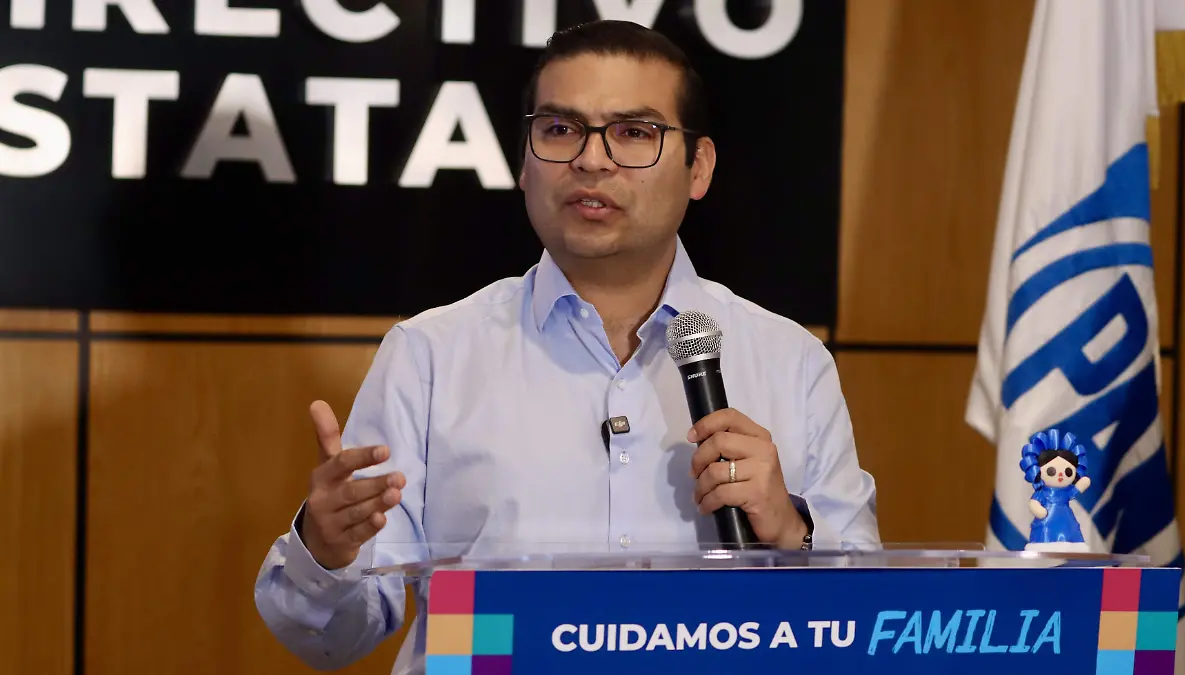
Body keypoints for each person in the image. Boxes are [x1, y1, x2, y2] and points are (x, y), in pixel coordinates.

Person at [254, 19, 879, 675]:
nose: (591, 160)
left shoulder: (790, 362)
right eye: (560, 129)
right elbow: (333, 638)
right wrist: (326, 551)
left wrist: (792, 532)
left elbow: (871, 626)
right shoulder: (431, 355)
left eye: (633, 132)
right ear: (525, 164)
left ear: (698, 168)